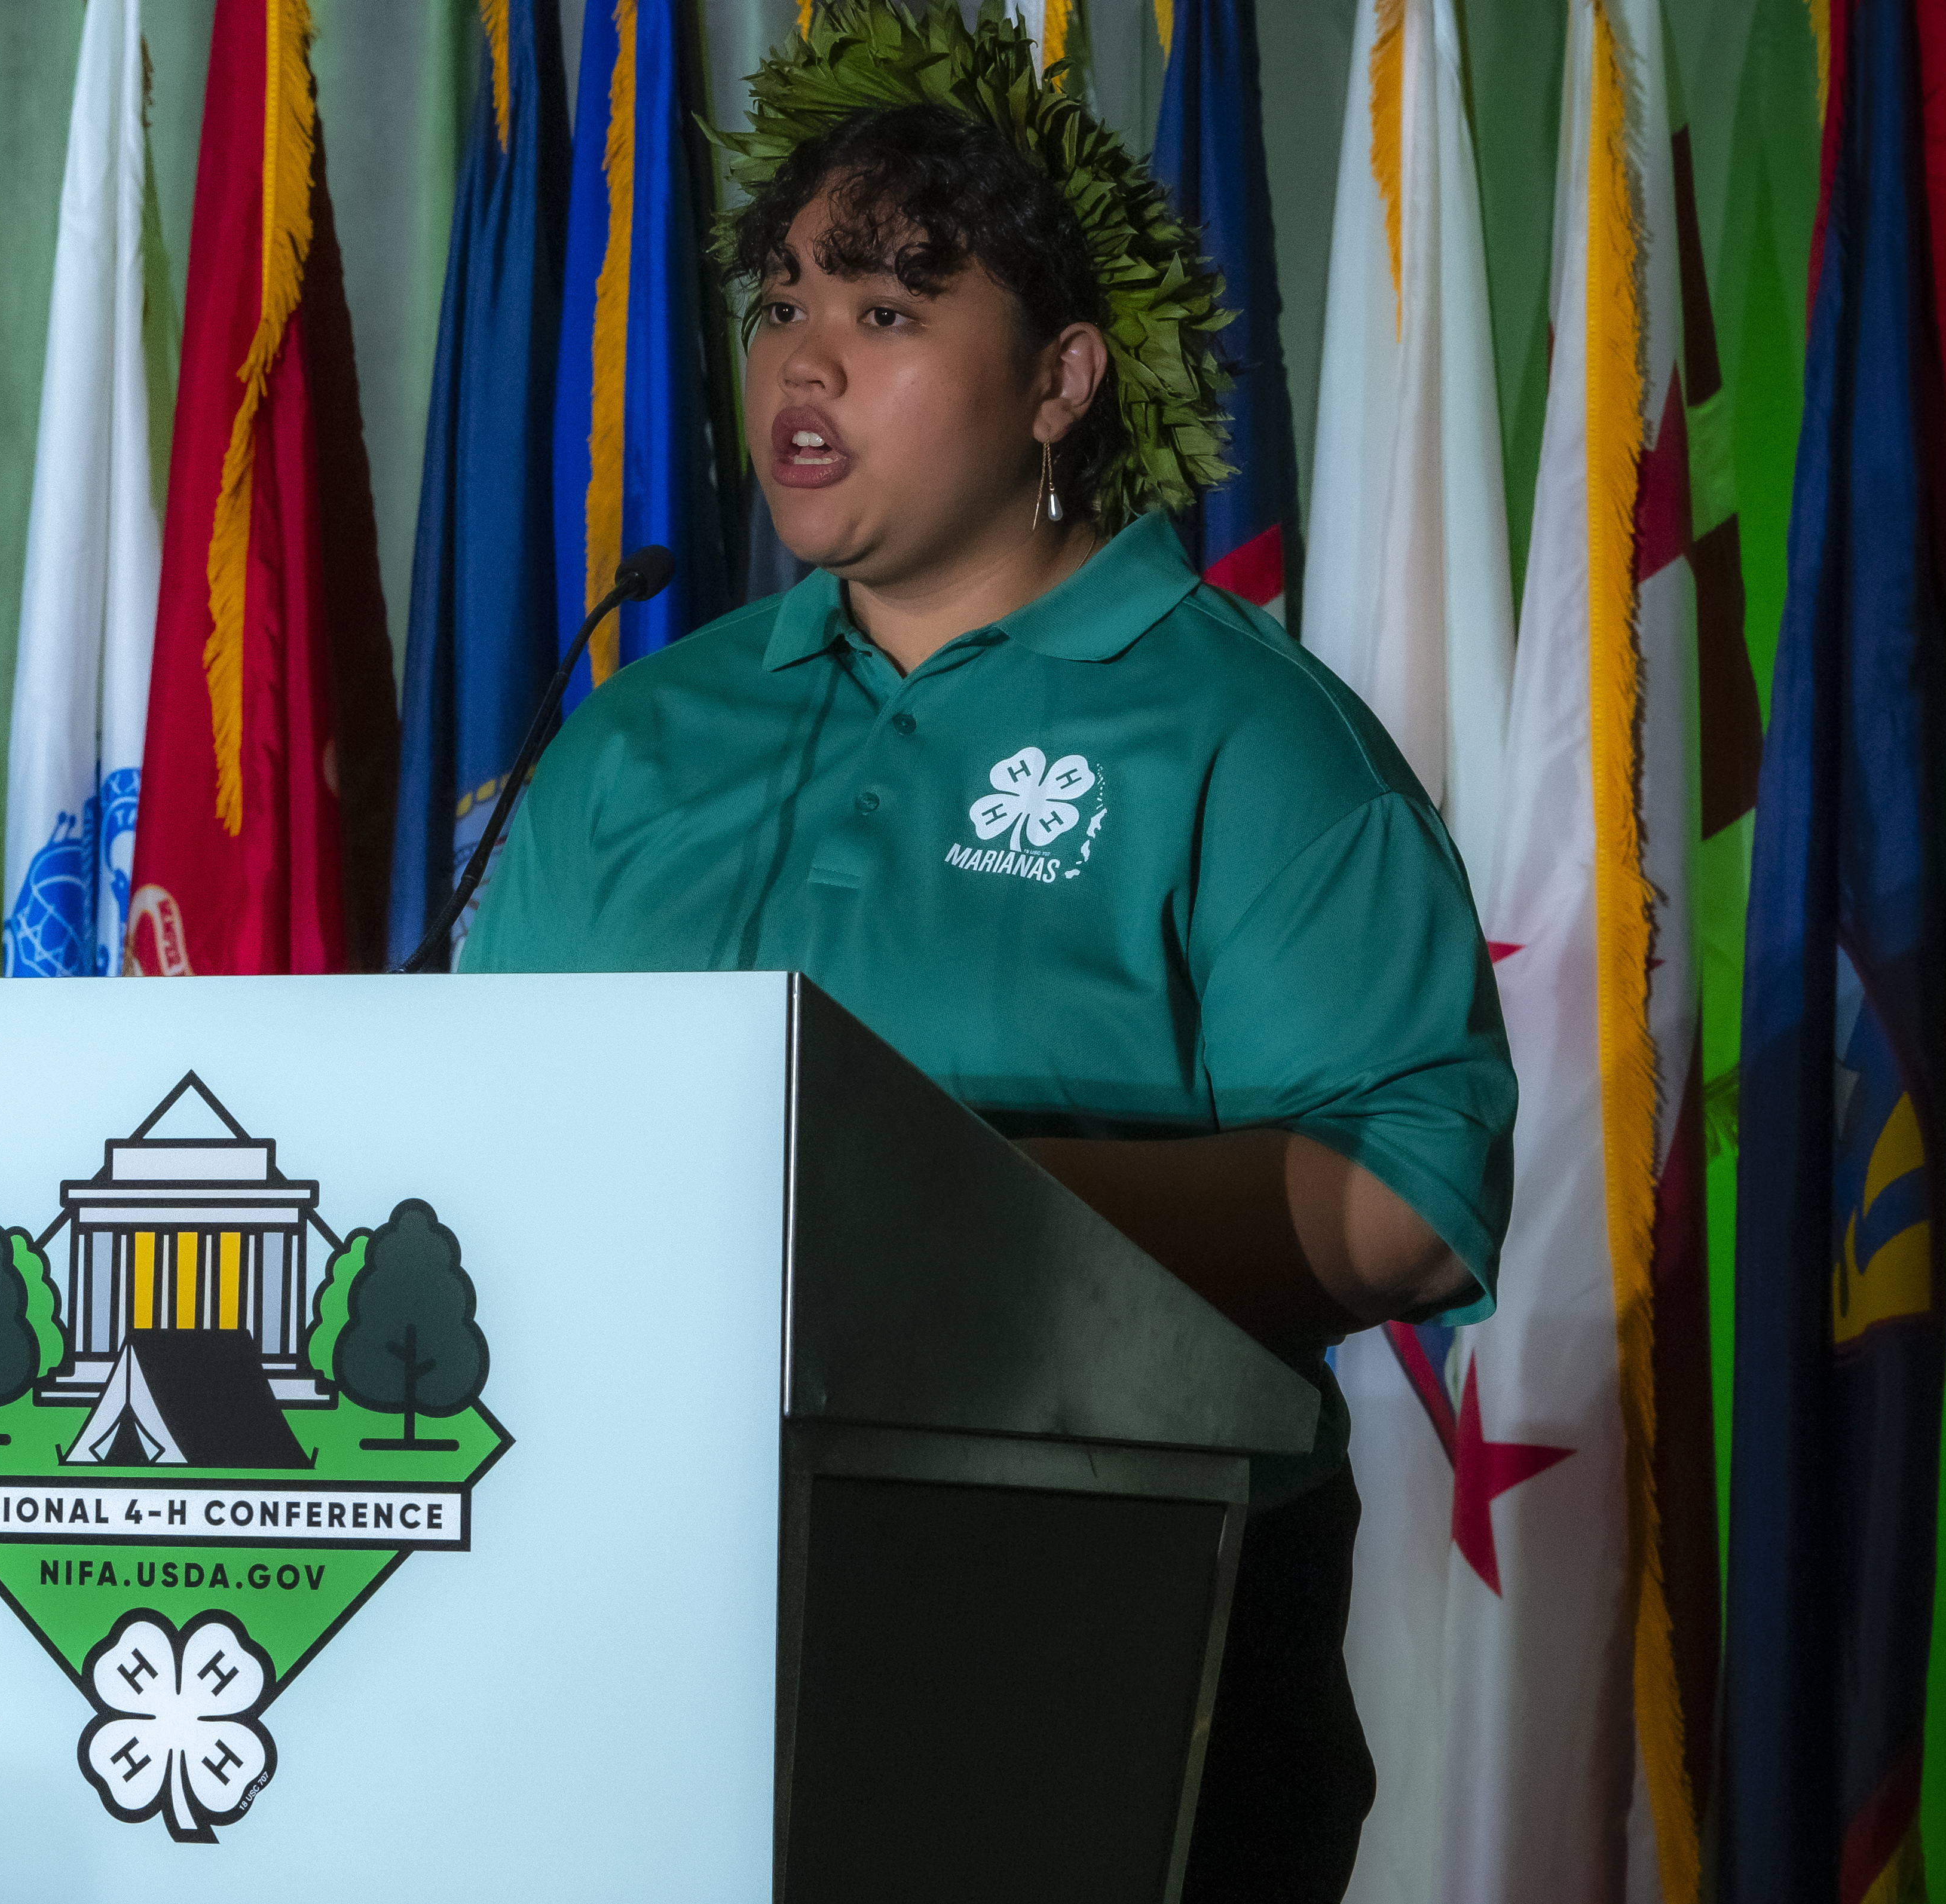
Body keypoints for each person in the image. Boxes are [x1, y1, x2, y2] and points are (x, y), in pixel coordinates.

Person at [458, 9, 1516, 1899]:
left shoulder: (1244, 736)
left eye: (886, 313)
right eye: (786, 297)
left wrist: (948, 1214)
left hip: (1094, 1648)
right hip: (633, 1628)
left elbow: (1417, 1202)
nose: (802, 358)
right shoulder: (639, 736)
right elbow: (474, 1146)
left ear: (1060, 380)